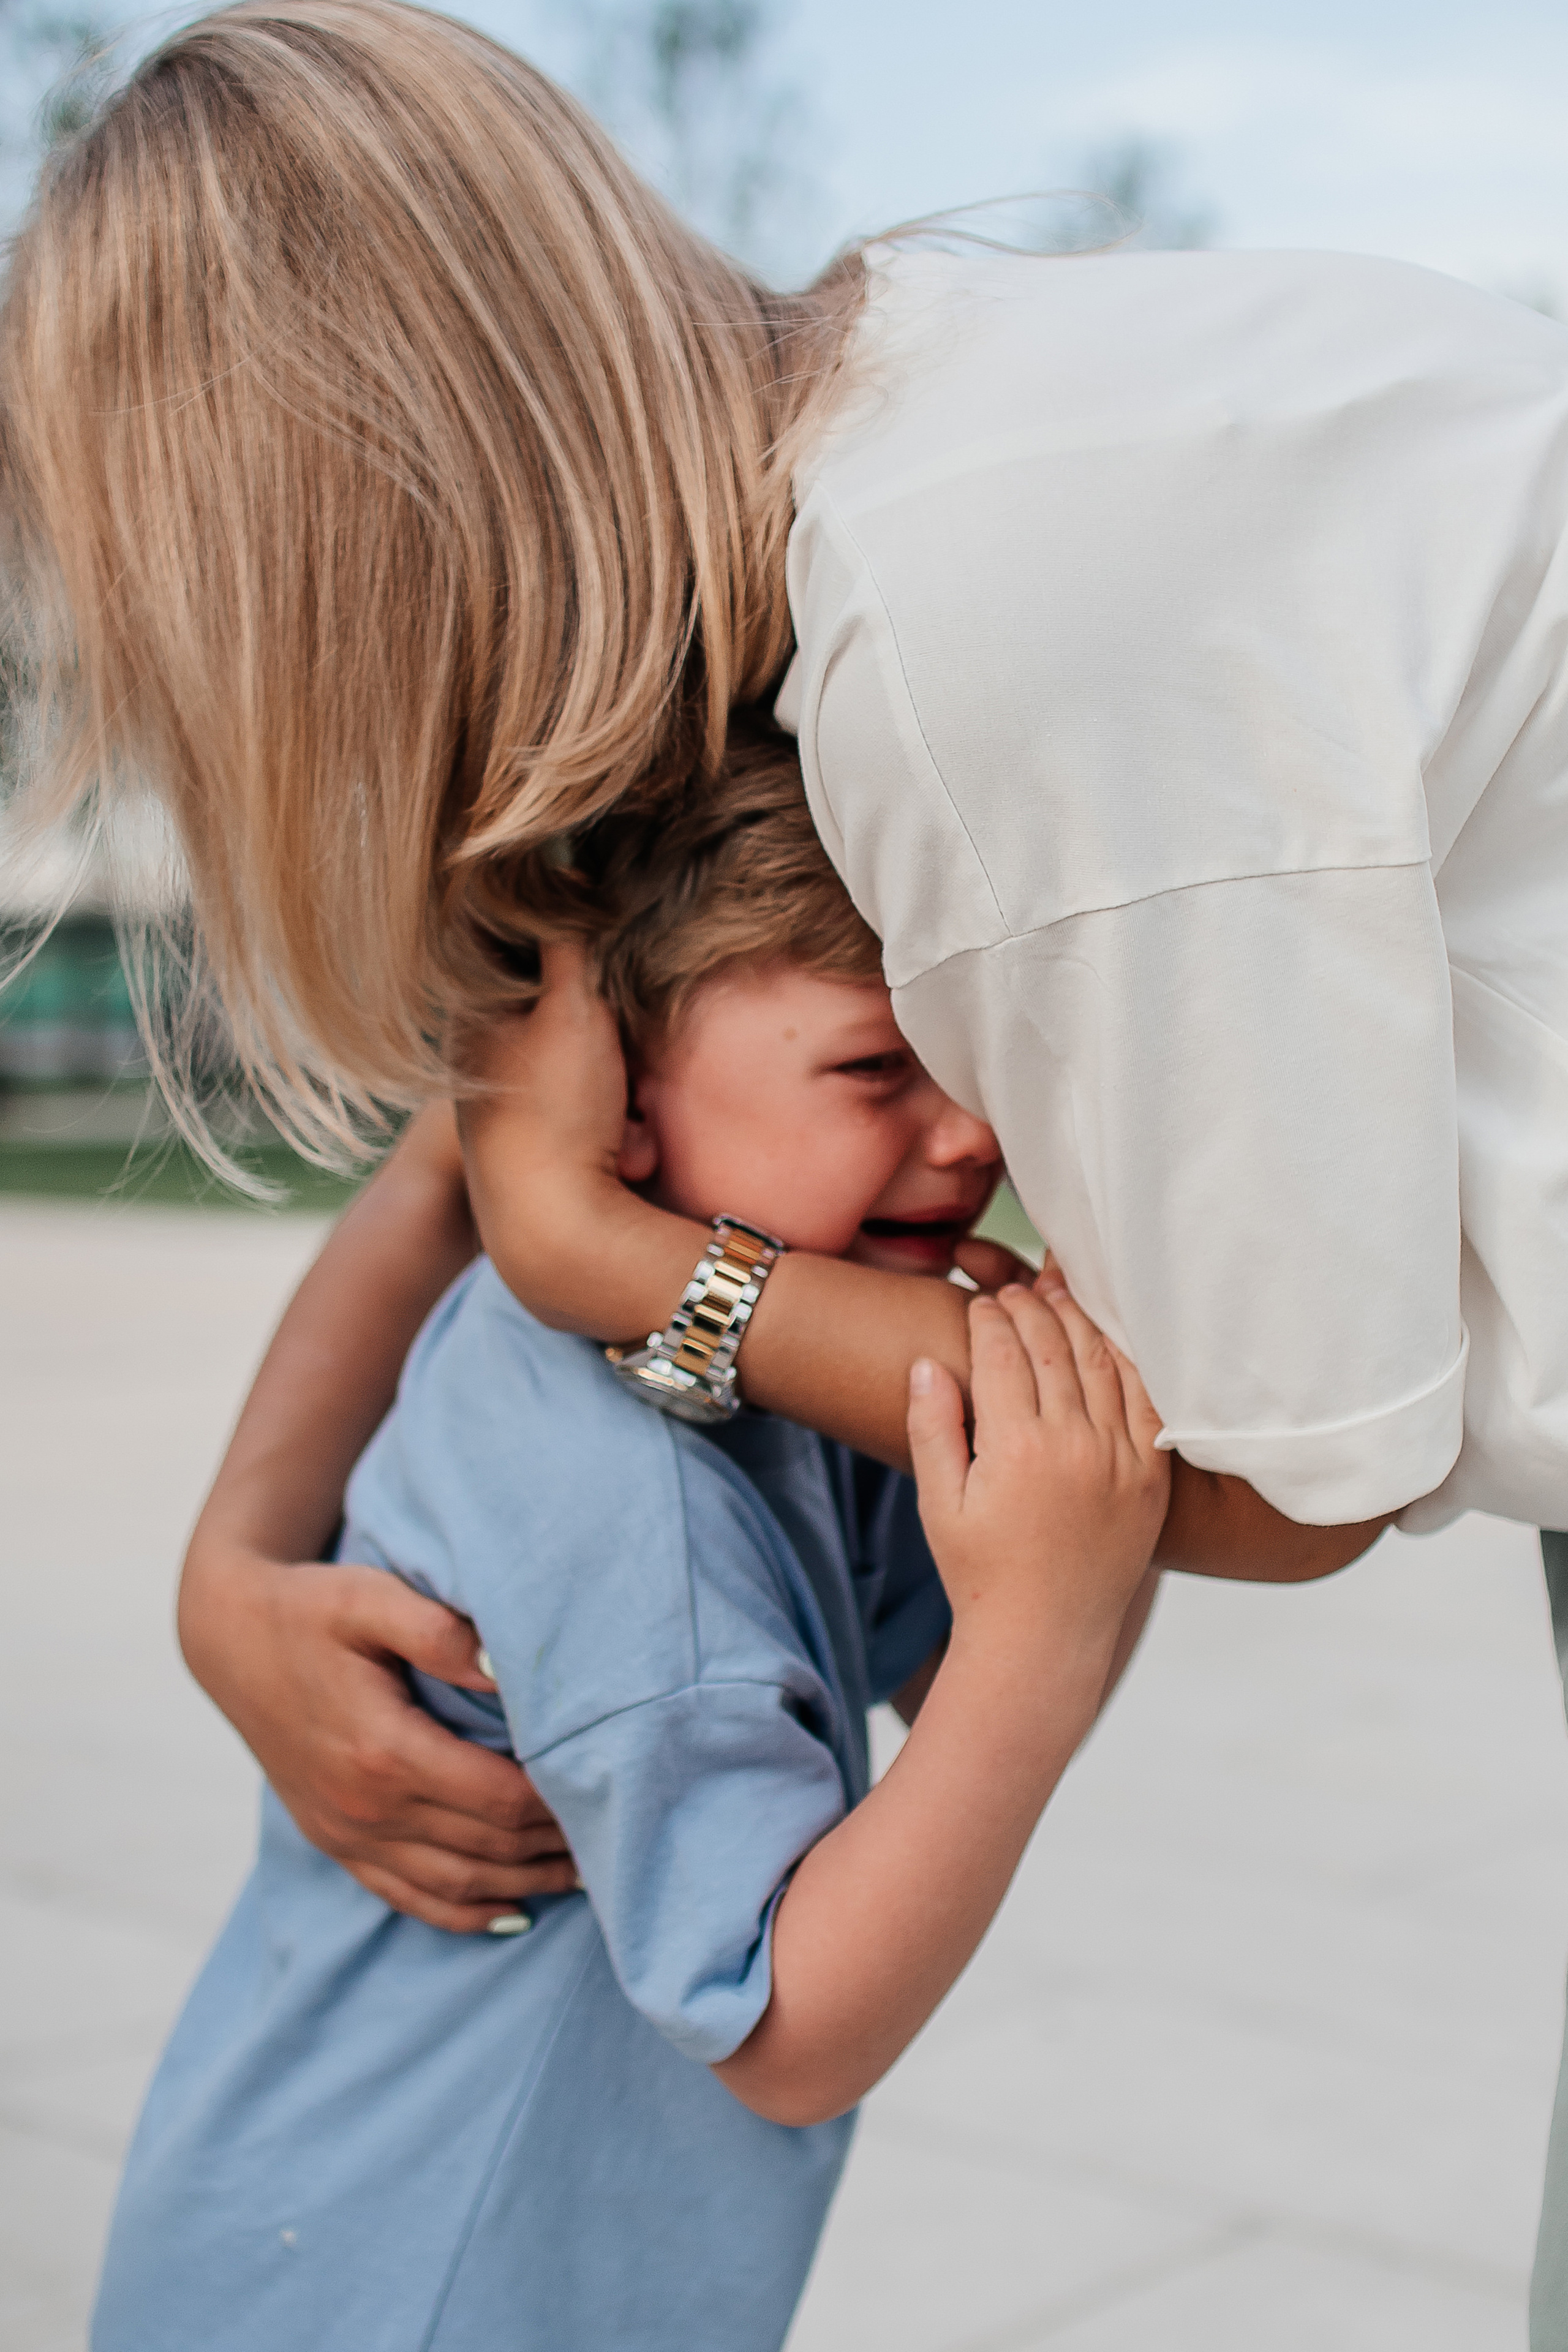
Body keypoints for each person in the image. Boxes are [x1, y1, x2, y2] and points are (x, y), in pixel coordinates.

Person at [6, 0, 1568, 2332]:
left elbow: (1261, 1482)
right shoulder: (898, 498)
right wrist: (242, 1561)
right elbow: (501, 1157)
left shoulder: (966, 649)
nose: (972, 1120)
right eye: (886, 1059)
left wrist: (611, 1254)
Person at [90, 733, 1168, 2351]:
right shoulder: (624, 1509)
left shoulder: (745, 1380)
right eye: (877, 1071)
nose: (968, 1138)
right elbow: (787, 2027)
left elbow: (954, 1680)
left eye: (970, 1059)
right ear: (613, 1107)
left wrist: (1061, 1555)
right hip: (391, 2291)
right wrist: (1045, 1626)